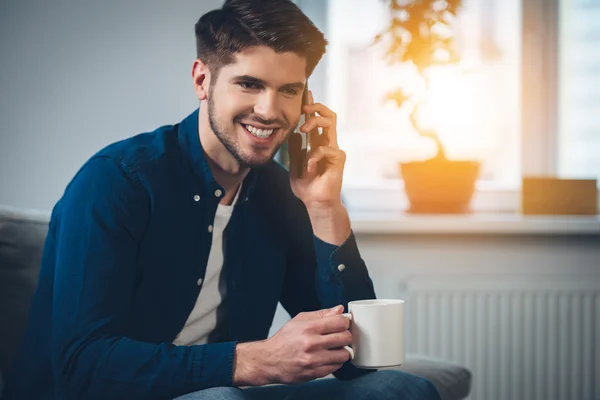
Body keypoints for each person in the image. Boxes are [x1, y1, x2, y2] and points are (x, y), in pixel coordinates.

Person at [4, 0, 440, 399]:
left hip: (226, 390)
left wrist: (326, 209)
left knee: (401, 390)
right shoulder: (117, 181)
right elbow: (81, 366)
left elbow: (358, 362)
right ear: (202, 79)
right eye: (249, 84)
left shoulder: (279, 192)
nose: (270, 111)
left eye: (289, 90)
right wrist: (255, 360)